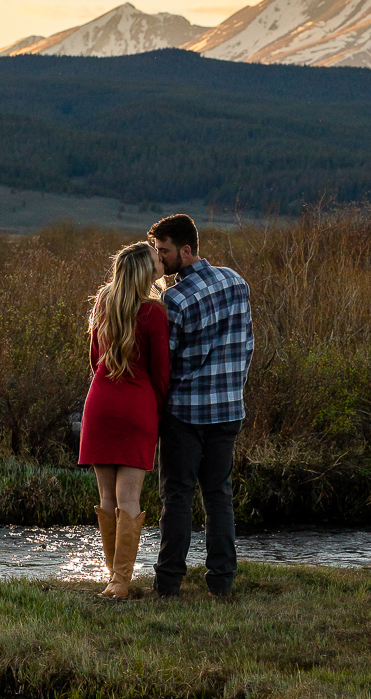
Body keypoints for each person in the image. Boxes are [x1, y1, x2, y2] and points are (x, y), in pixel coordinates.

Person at [147, 214, 254, 598]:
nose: (160, 260)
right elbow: (247, 346)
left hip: (186, 414)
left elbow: (167, 362)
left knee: (177, 495)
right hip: (228, 410)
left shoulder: (173, 299)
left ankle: (168, 583)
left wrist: (159, 409)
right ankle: (222, 582)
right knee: (218, 495)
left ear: (186, 250)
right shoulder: (236, 281)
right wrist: (234, 391)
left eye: (164, 252)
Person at [79, 241, 169, 599]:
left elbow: (93, 357)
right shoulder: (154, 312)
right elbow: (161, 374)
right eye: (156, 258)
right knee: (129, 499)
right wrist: (158, 413)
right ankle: (120, 583)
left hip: (100, 402)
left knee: (106, 498)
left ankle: (112, 581)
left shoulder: (104, 300)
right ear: (147, 272)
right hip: (137, 407)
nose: (162, 259)